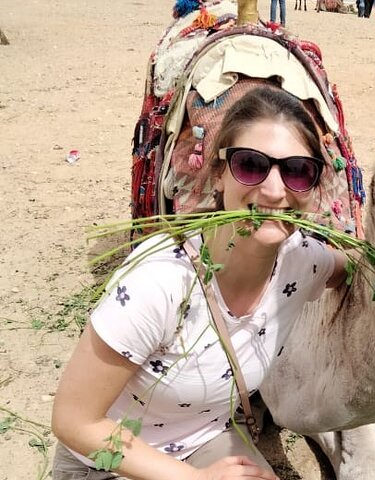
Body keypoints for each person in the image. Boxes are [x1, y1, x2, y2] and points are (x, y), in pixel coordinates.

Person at [51, 87, 349, 480]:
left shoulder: (300, 260)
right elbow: (75, 420)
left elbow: (355, 267)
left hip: (201, 442)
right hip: (108, 460)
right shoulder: (160, 281)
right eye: (251, 165)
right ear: (218, 174)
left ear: (313, 187)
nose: (275, 191)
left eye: (297, 171)